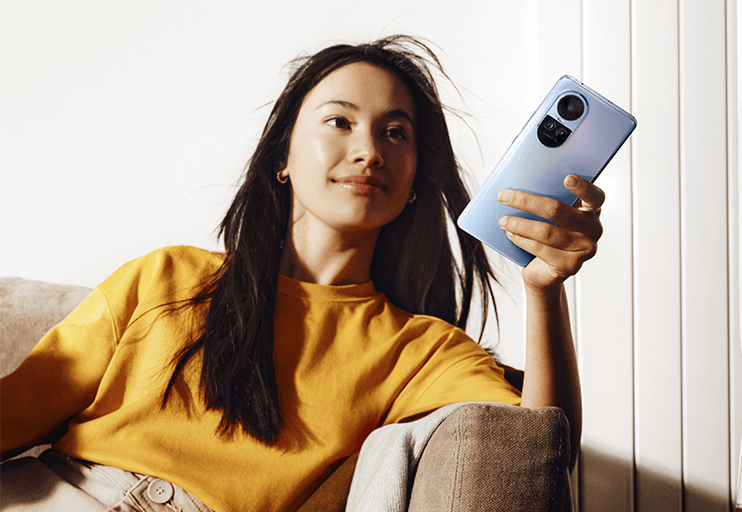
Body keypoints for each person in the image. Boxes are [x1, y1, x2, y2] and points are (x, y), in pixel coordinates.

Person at [0, 36, 602, 512]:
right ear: (283, 157)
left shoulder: (418, 349)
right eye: (340, 122)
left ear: (416, 181)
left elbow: (536, 447)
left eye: (396, 133)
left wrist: (543, 288)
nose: (369, 151)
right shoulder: (166, 277)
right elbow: (17, 410)